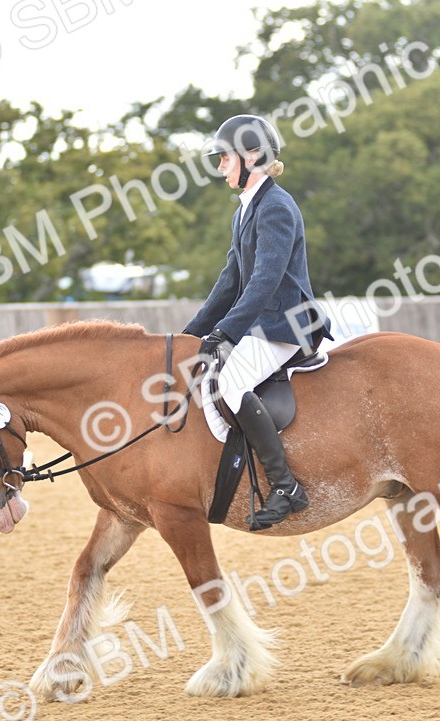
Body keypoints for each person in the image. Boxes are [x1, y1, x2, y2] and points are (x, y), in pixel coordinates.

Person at [183, 114, 332, 530]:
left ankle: (286, 487)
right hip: (263, 323)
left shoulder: (276, 207)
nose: (220, 167)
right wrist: (190, 334)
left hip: (286, 323)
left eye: (225, 158)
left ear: (252, 156)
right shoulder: (246, 210)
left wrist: (226, 331)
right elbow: (230, 281)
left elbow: (265, 281)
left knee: (231, 383)